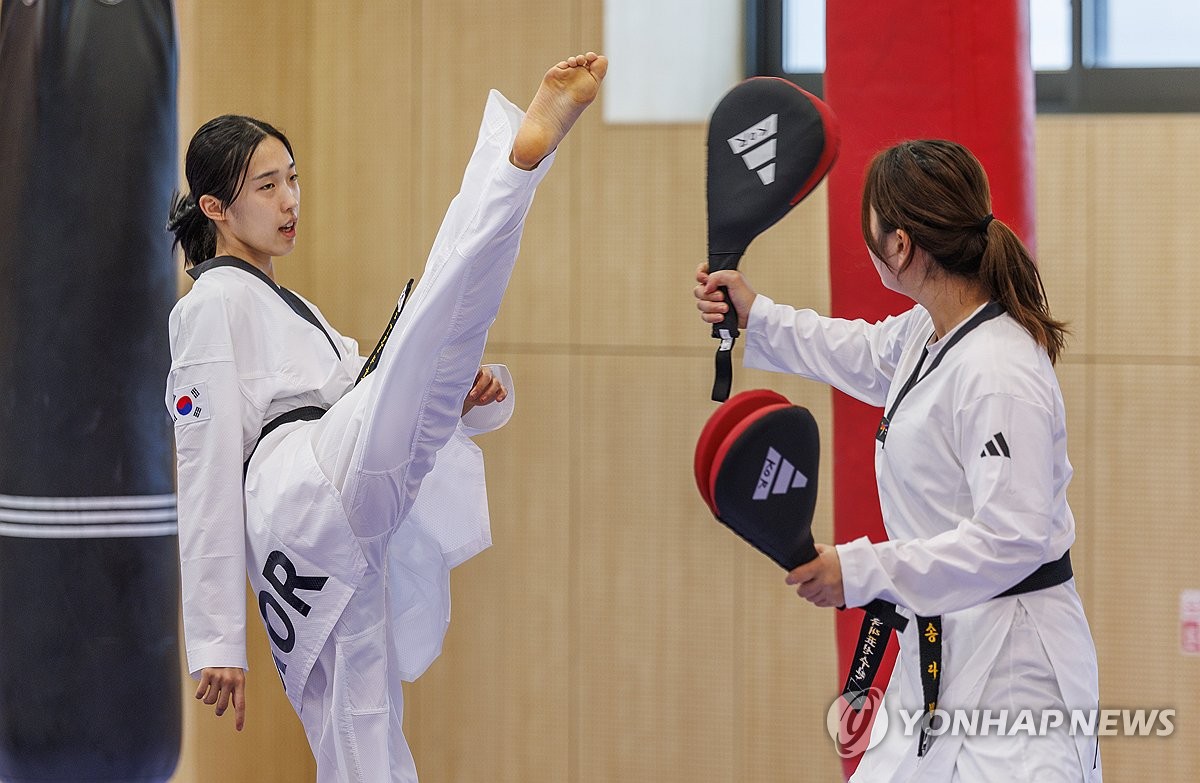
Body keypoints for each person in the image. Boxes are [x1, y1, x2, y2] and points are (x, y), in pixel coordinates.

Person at [165, 52, 606, 781]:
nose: (289, 201)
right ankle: (515, 162)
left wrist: (454, 396)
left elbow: (373, 400)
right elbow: (203, 463)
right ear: (215, 208)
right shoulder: (209, 305)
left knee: (358, 725)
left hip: (338, 507)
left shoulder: (297, 312)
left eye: (293, 180)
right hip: (291, 491)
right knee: (429, 324)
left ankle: (514, 167)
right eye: (266, 187)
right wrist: (216, 640)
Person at [694, 139, 1101, 781]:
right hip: (936, 652)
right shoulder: (927, 331)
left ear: (902, 244)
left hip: (1016, 675)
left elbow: (1013, 538)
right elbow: (859, 352)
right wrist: (758, 316)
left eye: (872, 227)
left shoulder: (998, 370)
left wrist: (861, 571)